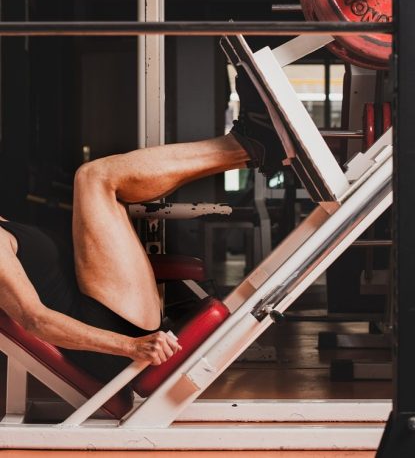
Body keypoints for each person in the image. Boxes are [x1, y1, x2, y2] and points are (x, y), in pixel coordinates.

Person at [0, 70, 286, 383]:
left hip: (110, 311)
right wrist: (132, 346)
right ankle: (249, 146)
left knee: (102, 181)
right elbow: (33, 320)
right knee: (96, 178)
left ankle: (251, 147)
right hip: (113, 334)